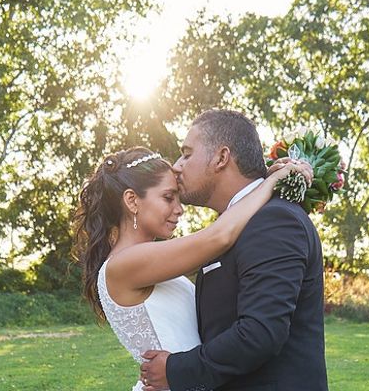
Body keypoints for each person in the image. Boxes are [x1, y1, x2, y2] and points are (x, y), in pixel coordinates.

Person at [73, 145, 312, 391]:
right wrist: (269, 183)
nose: (179, 209)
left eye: (178, 196)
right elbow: (219, 237)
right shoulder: (124, 264)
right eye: (168, 197)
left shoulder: (150, 260)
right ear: (132, 200)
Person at [140, 110, 329, 391]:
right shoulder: (232, 226)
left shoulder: (274, 219)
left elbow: (260, 334)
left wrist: (176, 371)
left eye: (187, 154)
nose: (177, 166)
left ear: (221, 157)